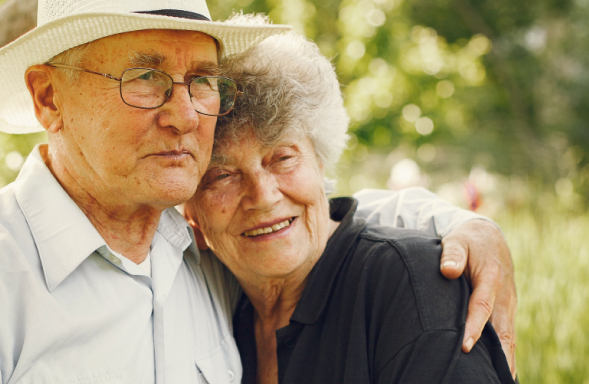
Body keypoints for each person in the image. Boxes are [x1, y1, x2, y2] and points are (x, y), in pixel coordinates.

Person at [0, 1, 514, 383]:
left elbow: (302, 225)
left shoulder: (200, 256)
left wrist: (446, 221)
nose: (183, 113)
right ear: (49, 98)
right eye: (143, 77)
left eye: (200, 78)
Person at [183, 23, 515, 383]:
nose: (263, 197)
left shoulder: (411, 286)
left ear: (320, 161)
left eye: (282, 158)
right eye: (222, 176)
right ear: (191, 213)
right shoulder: (211, 304)